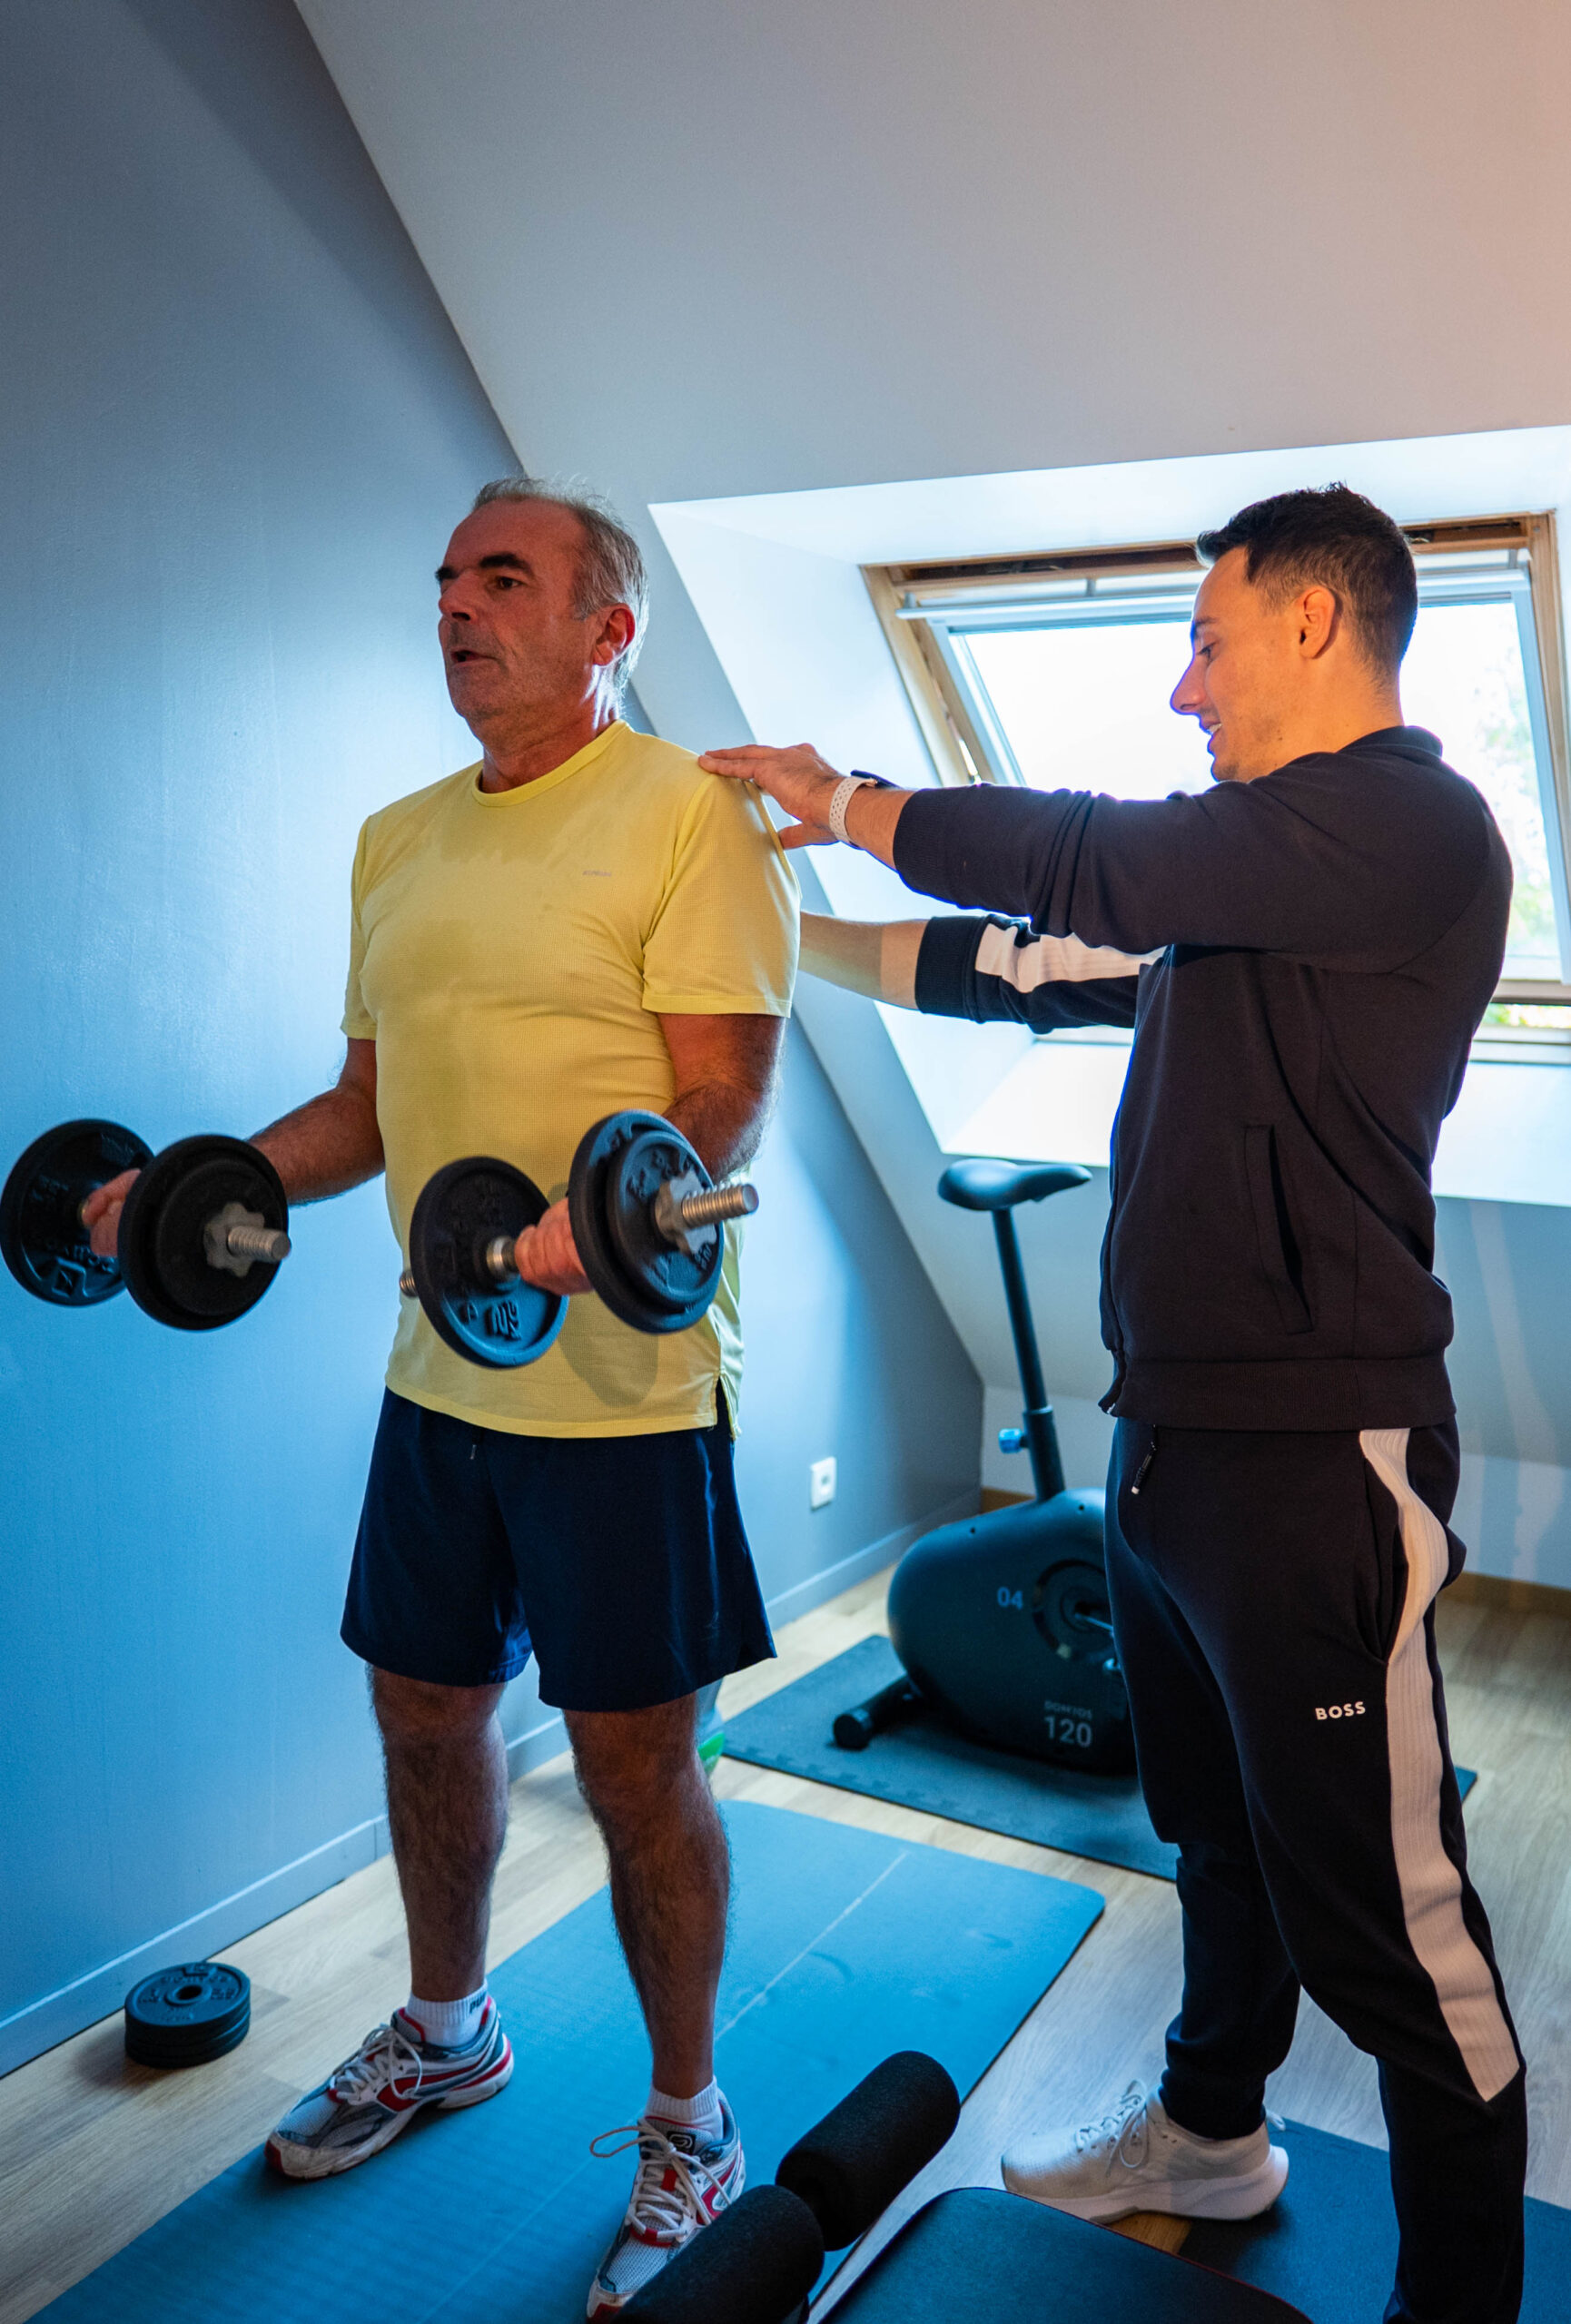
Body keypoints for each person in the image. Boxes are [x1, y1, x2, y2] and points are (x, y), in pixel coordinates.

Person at [700, 486, 1526, 2324]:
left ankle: (1460, 2299)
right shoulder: (1256, 907)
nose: (1182, 686)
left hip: (1319, 1454)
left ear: (1313, 623)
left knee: (1398, 1930)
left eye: (1206, 637)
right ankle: (1210, 2131)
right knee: (1215, 1829)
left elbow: (1098, 862)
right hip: (1173, 1443)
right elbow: (1028, 957)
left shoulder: (1407, 827)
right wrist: (777, 931)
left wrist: (845, 799)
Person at [86, 478, 797, 2317]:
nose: (459, 607)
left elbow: (717, 1105)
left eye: (505, 578)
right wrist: (187, 1182)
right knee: (422, 1710)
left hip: (625, 1386)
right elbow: (364, 1114)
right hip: (439, 1377)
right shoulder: (397, 839)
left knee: (641, 1766)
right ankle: (445, 2023)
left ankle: (689, 2121)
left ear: (605, 629)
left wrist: (591, 1220)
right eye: (447, 584)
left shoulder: (686, 818)